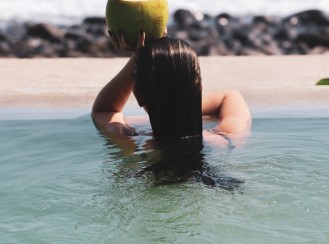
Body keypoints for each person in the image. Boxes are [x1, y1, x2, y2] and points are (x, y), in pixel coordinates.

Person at [92, 30, 252, 156]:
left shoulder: (132, 144)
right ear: (200, 88)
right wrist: (185, 103)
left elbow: (105, 110)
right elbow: (230, 96)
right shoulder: (227, 138)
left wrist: (136, 57)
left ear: (138, 96)